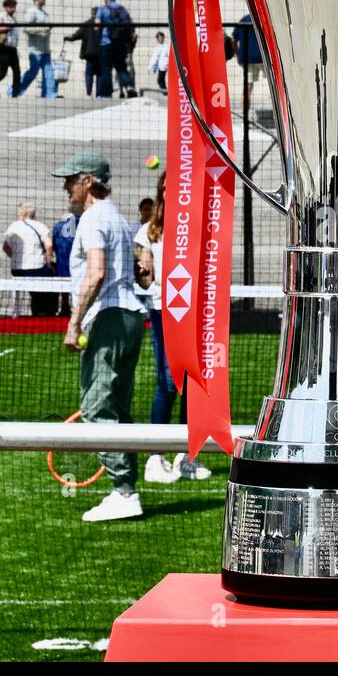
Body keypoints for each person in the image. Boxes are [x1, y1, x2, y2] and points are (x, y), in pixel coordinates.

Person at [53, 150, 147, 522]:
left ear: (87, 180)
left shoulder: (93, 218)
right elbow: (139, 270)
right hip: (130, 318)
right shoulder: (119, 219)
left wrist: (74, 323)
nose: (65, 187)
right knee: (118, 408)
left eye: (69, 180)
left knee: (95, 409)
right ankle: (125, 489)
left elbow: (95, 272)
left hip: (109, 317)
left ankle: (123, 492)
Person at [135, 171, 211, 483]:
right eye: (165, 187)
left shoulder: (196, 227)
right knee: (168, 382)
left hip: (192, 314)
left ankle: (186, 455)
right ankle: (156, 456)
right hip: (162, 311)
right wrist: (142, 271)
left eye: (176, 187)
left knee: (193, 382)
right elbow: (145, 274)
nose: (170, 192)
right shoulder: (149, 231)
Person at [3, 201, 56, 317]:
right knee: (52, 273)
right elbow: (49, 245)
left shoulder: (14, 226)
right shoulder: (40, 226)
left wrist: (15, 256)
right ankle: (43, 311)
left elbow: (5, 247)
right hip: (36, 268)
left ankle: (18, 311)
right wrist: (48, 259)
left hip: (17, 269)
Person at [96, 0, 135, 99]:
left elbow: (97, 24)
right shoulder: (122, 9)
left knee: (106, 69)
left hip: (106, 43)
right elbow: (131, 22)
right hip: (119, 43)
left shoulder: (103, 9)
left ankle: (107, 93)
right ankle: (129, 87)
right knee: (121, 67)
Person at [18, 0, 57, 99]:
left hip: (45, 49)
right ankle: (15, 91)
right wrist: (42, 30)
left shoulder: (44, 13)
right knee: (32, 73)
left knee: (48, 73)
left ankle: (50, 95)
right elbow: (26, 28)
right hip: (35, 50)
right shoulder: (32, 11)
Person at [65, 7, 103, 97]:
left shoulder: (86, 24)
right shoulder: (103, 24)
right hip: (101, 54)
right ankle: (99, 94)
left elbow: (76, 35)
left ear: (92, 13)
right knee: (100, 74)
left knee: (89, 74)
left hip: (89, 53)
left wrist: (68, 38)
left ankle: (89, 94)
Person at [232, 13, 264, 108]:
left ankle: (244, 114)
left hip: (247, 58)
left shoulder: (244, 19)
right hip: (263, 57)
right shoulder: (262, 18)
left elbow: (234, 40)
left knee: (248, 88)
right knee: (274, 85)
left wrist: (238, 54)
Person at [52, 210, 77, 317]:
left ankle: (64, 306)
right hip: (76, 261)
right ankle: (75, 308)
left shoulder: (57, 227)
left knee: (63, 285)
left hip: (62, 260)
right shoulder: (80, 225)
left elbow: (53, 244)